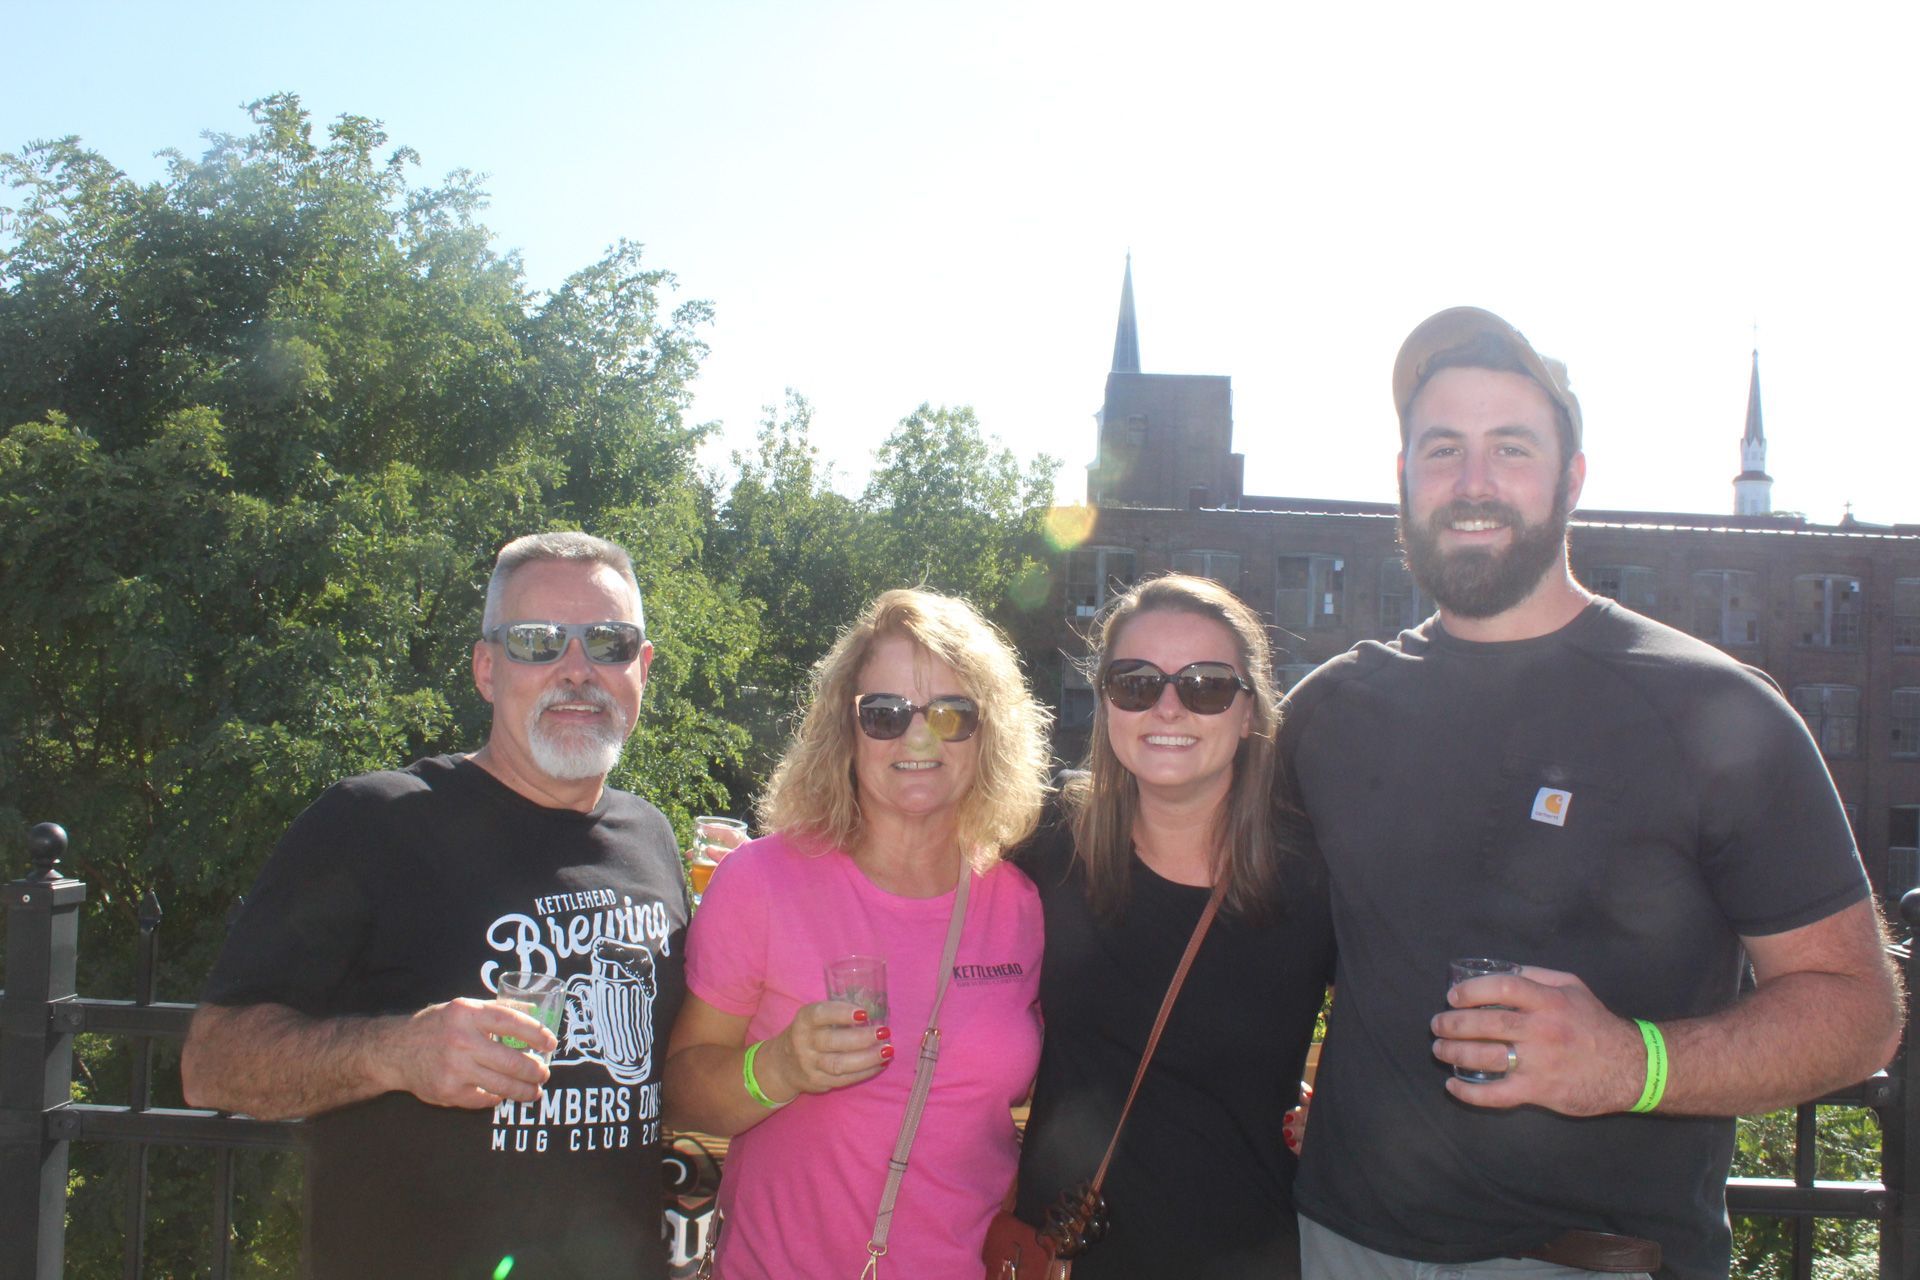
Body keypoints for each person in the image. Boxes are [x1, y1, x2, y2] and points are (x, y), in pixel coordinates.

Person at [1281, 307, 1905, 1280]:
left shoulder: (1712, 709)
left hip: (1597, 1260)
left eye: (1512, 447)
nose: (1474, 481)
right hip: (1338, 1244)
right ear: (1402, 476)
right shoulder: (1328, 711)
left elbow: (1858, 1008)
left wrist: (1631, 1062)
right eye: (1442, 448)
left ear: (1572, 477)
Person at [182, 531, 686, 1279]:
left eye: (608, 642)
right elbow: (211, 1066)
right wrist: (396, 1053)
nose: (577, 670)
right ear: (487, 669)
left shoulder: (650, 835)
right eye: (538, 642)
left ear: (641, 669)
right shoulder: (374, 822)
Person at [663, 588, 1051, 1278]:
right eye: (885, 714)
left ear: (988, 733)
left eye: (951, 713)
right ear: (845, 731)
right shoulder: (762, 881)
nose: (919, 739)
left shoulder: (1021, 908)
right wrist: (776, 1068)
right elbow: (685, 1088)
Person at [1013, 573, 1334, 1278]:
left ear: (1249, 713)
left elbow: (1403, 1013)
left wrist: (1343, 1107)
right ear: (1106, 703)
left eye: (1206, 685)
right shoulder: (1047, 843)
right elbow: (905, 870)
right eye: (1135, 682)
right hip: (1064, 1256)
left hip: (1246, 1256)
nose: (1167, 706)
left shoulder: (1312, 880)